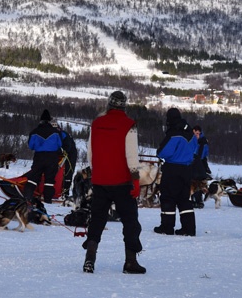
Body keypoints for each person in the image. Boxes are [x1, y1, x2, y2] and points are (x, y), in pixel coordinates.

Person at [82, 91, 145, 275]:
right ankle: (130, 262)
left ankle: (89, 260)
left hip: (101, 181)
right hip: (122, 182)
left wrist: (98, 172)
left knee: (97, 220)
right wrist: (135, 180)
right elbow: (131, 156)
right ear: (124, 106)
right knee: (130, 222)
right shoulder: (129, 125)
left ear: (109, 104)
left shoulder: (96, 123)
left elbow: (90, 153)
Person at [155, 108, 198, 236]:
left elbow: (163, 152)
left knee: (168, 197)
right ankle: (189, 228)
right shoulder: (190, 133)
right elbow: (195, 150)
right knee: (184, 198)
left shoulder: (174, 133)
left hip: (172, 168)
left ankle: (167, 227)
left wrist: (162, 154)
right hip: (187, 169)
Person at [23, 109, 66, 204]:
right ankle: (47, 200)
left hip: (39, 157)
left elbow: (31, 146)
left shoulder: (34, 132)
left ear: (40, 120)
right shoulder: (56, 132)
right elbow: (60, 144)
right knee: (49, 180)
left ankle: (27, 198)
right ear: (49, 120)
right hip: (52, 157)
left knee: (33, 178)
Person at [190, 125, 211, 208]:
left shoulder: (203, 142)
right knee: (191, 181)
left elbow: (205, 153)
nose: (197, 135)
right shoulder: (190, 139)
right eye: (195, 133)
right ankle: (191, 199)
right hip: (191, 162)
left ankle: (199, 199)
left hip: (199, 163)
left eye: (198, 133)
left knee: (198, 181)